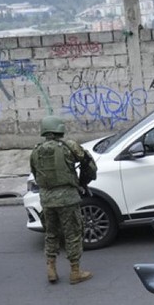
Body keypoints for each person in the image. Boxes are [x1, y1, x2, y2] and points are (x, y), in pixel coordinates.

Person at [29, 115, 97, 284]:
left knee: (51, 233)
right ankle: (75, 272)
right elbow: (89, 164)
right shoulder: (69, 145)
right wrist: (83, 182)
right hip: (68, 198)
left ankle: (51, 269)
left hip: (46, 199)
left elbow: (36, 174)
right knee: (73, 233)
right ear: (60, 128)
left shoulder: (36, 150)